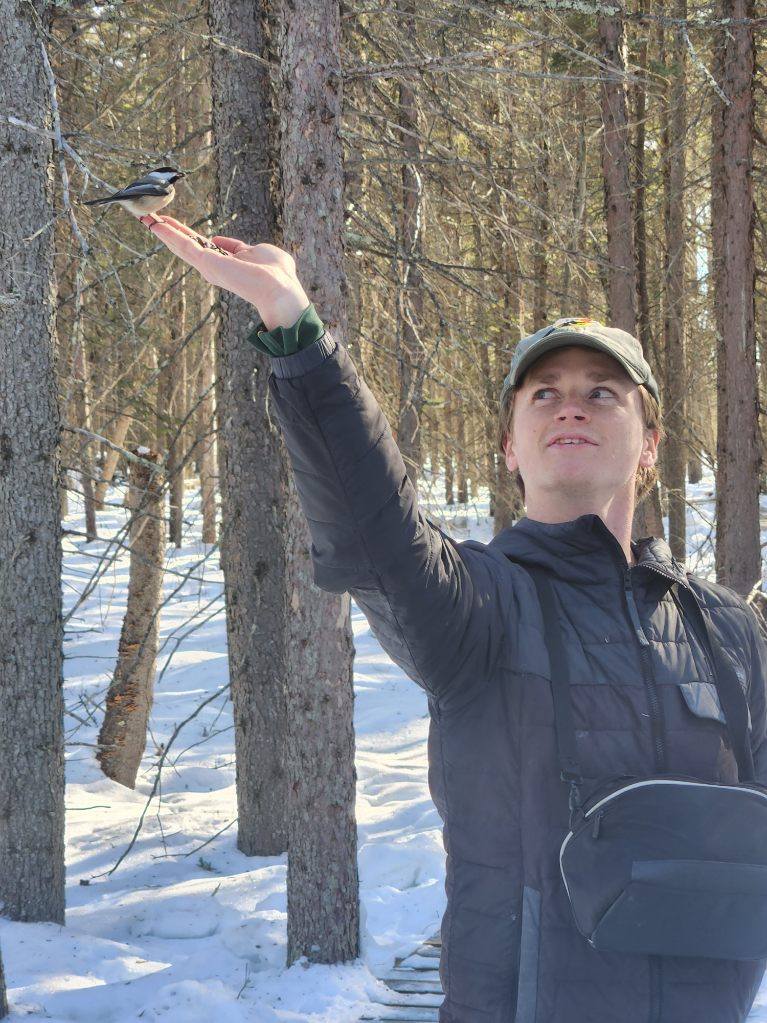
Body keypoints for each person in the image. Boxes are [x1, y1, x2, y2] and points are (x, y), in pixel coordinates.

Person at [145, 215, 767, 1023]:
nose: (569, 408)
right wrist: (295, 330)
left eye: (600, 393)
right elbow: (375, 526)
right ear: (509, 445)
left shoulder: (726, 630)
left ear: (649, 444)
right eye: (543, 393)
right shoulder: (477, 604)